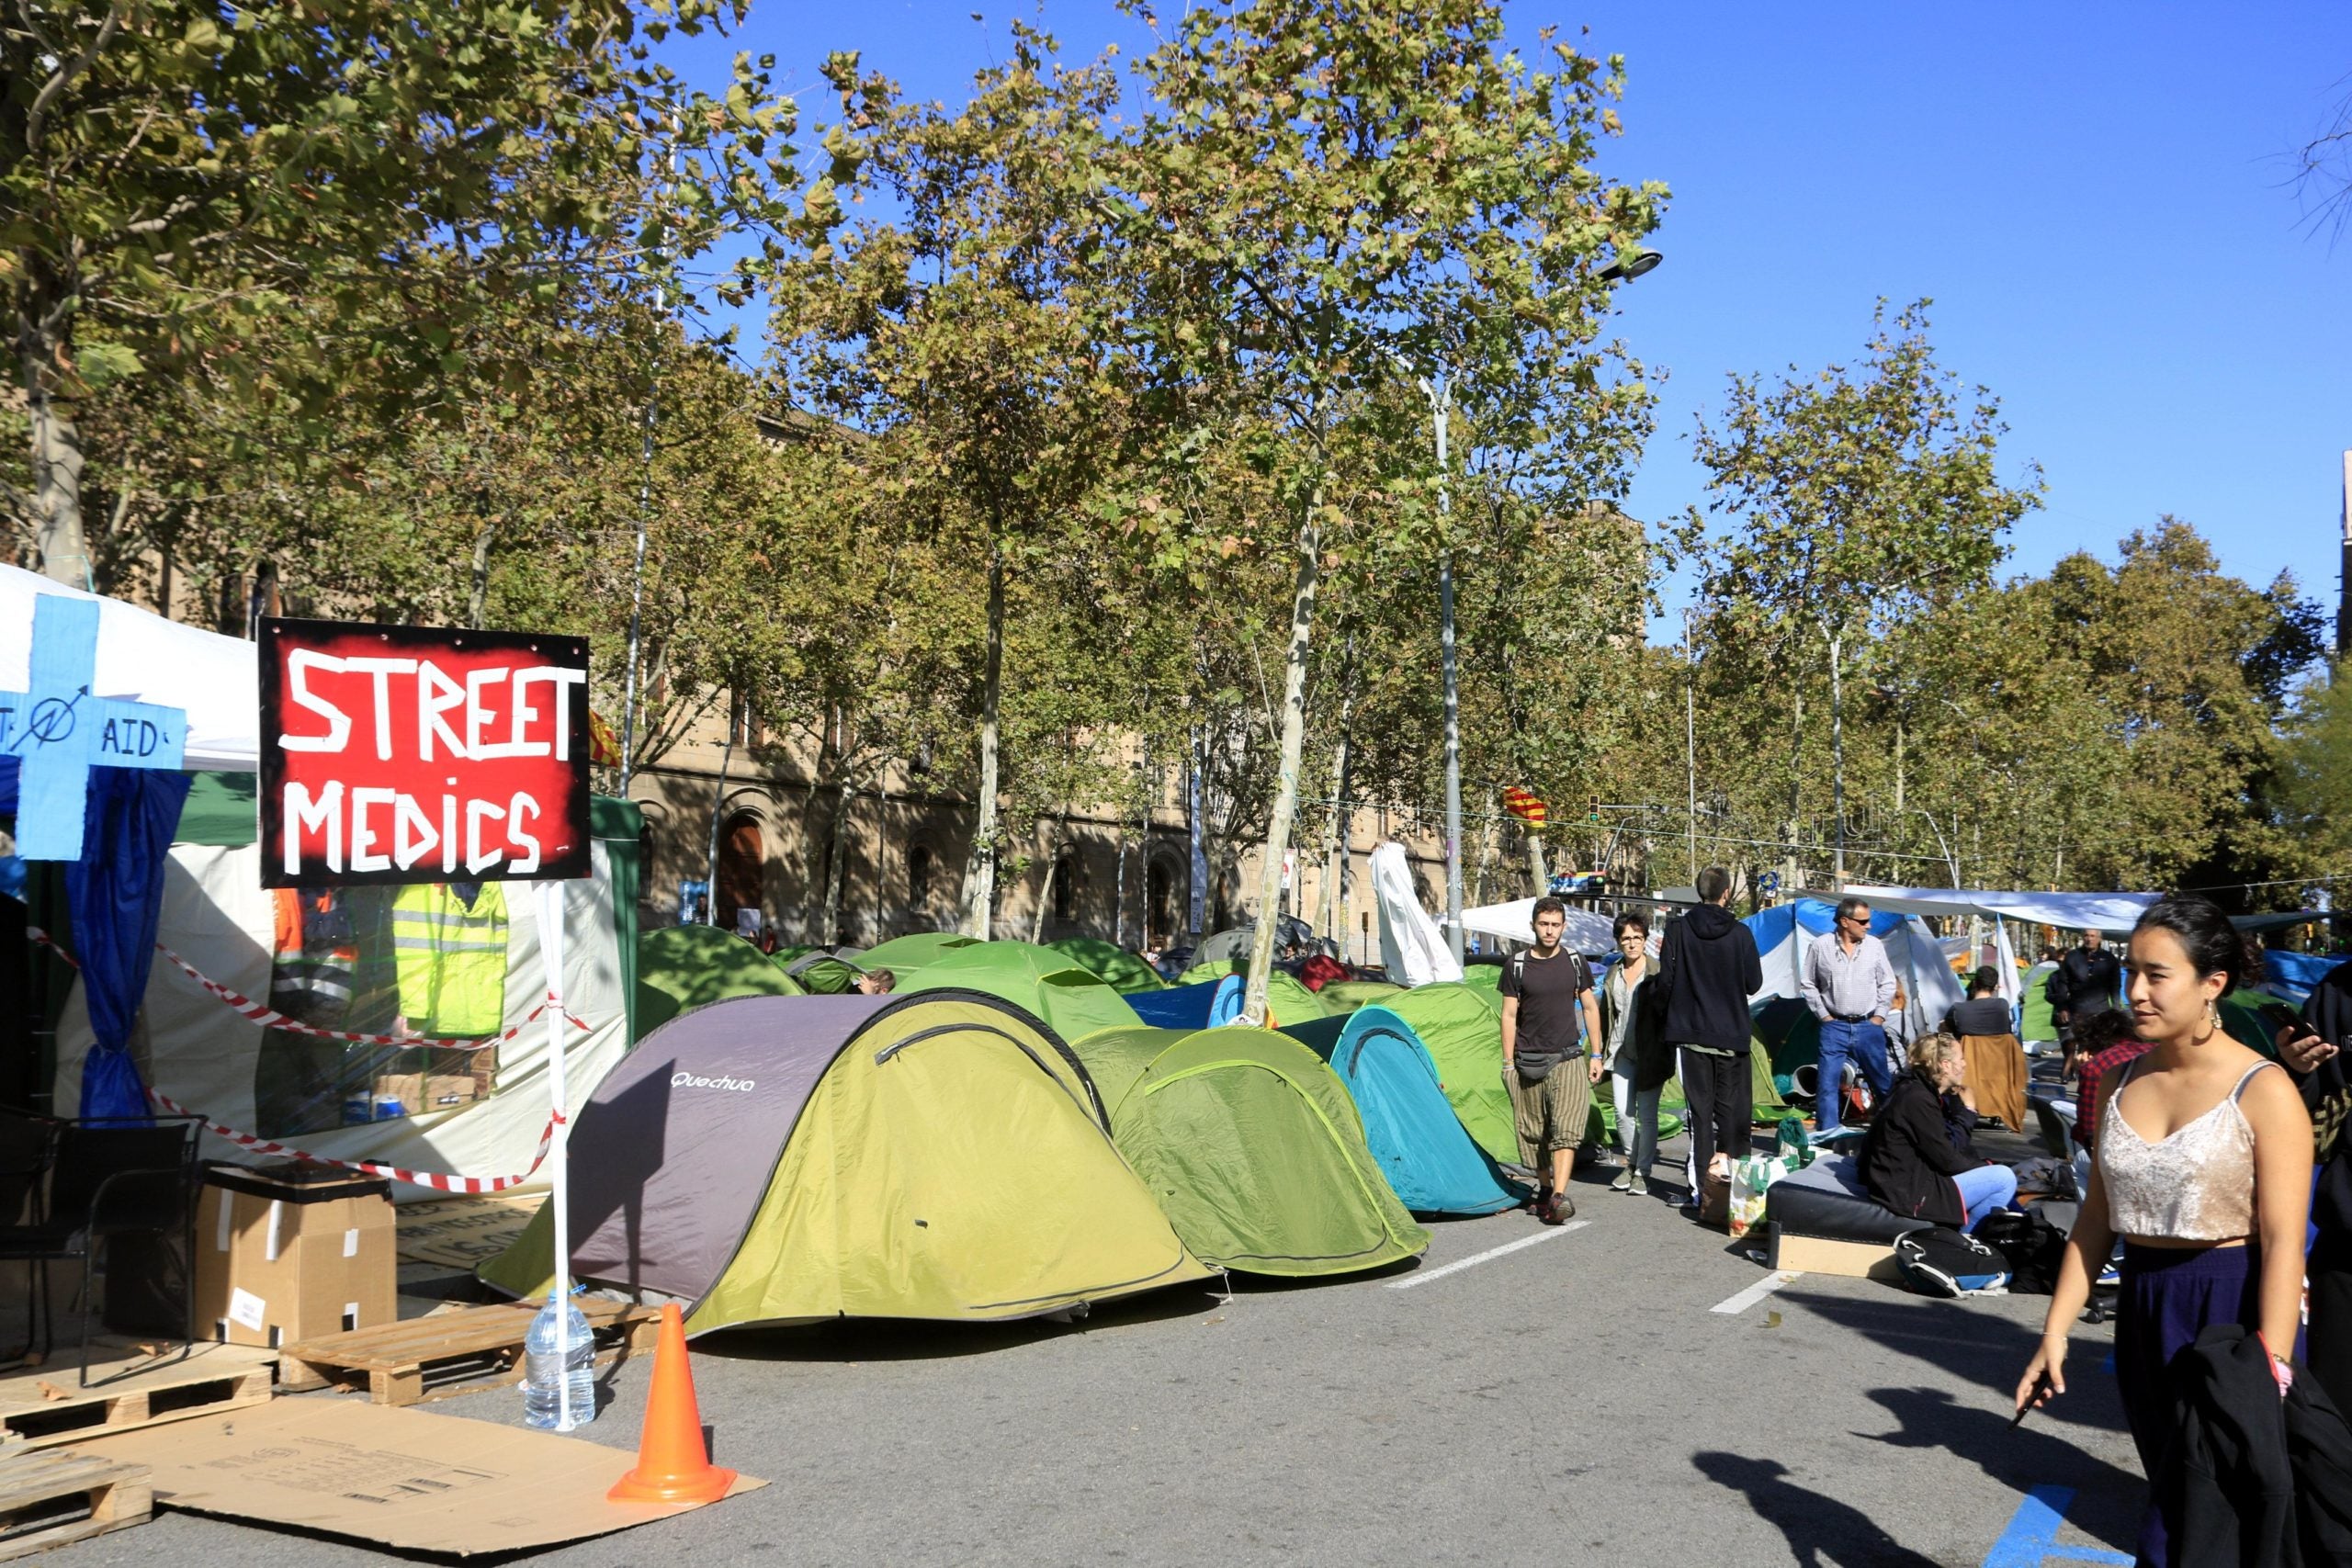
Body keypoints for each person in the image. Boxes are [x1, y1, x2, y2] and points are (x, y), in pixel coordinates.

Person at [2015, 897, 2312, 1566]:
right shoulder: (2118, 1078)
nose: (2137, 991)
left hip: (2231, 1314)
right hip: (2144, 1309)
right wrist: (2054, 1333)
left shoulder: (2263, 1088)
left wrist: (2272, 1367)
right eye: (2131, 972)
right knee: (2177, 1492)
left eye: (2157, 974)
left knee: (2203, 1514)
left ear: (2214, 983)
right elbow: (2095, 1221)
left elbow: (2286, 1239)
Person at [1653, 866, 1764, 1196]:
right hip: (1730, 1033)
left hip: (1690, 1035)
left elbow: (1666, 981)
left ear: (1698, 892)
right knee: (1731, 1114)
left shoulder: (1678, 930)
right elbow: (1753, 984)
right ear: (1726, 893)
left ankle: (1702, 1190)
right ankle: (1733, 1187)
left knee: (1699, 1117)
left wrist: (1662, 1013)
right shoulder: (1741, 933)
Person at [2275, 961, 2352, 1416]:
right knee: (2336, 1411)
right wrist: (2295, 1069)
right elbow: (2302, 1109)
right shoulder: (2335, 992)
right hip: (2345, 1243)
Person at [1499, 897, 1605, 1225]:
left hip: (1568, 1058)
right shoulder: (1516, 965)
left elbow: (1590, 1008)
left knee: (1566, 1130)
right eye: (1544, 924)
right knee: (1535, 1132)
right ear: (1533, 925)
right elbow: (1509, 1014)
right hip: (1528, 1060)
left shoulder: (1574, 962)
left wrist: (1597, 1054)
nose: (1549, 930)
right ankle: (1545, 1189)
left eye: (1555, 925)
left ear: (1563, 926)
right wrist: (1507, 1064)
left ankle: (1559, 1195)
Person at [1860, 1032, 2017, 1232]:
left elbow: (1946, 1143)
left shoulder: (1914, 1088)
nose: (1965, 1064)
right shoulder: (1918, 1100)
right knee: (2004, 1178)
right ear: (1945, 1065)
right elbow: (1948, 1159)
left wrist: (1956, 1105)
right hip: (1909, 1192)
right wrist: (1969, 1111)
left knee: (1989, 1170)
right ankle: (1966, 1242)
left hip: (1904, 1180)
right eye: (1961, 1059)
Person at [1799, 897, 1896, 1136]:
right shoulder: (1820, 946)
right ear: (1844, 921)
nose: (1868, 926)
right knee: (1827, 1086)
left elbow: (1888, 983)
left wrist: (1879, 1017)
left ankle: (1893, 1134)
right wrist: (1824, 1015)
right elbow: (1807, 983)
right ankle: (1829, 1138)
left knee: (1882, 1083)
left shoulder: (1874, 946)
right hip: (1835, 1026)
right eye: (1863, 921)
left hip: (1868, 1025)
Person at [1601, 912, 1670, 1197]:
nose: (1631, 943)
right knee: (1622, 1112)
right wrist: (1598, 1053)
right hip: (1620, 1051)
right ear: (1618, 942)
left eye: (1637, 938)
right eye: (1626, 938)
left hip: (1651, 1054)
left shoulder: (1658, 972)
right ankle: (1630, 1162)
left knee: (1648, 1116)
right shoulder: (1613, 971)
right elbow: (1607, 1012)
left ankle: (1643, 1171)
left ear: (1645, 939)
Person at [2046, 928, 2122, 1080]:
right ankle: (2074, 1073)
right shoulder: (2072, 957)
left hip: (2100, 1010)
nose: (2089, 939)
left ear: (2099, 939)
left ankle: (2092, 1078)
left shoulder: (2109, 959)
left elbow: (2115, 986)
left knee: (2095, 1047)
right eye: (2086, 936)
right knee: (2072, 1044)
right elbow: (2062, 984)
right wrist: (2062, 1008)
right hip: (2076, 1009)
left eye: (2093, 936)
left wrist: (2116, 1008)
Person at [1943, 966, 2014, 1039]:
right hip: (1998, 1049)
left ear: (1975, 983)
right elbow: (2008, 1032)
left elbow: (1946, 1032)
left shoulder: (1958, 1010)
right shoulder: (2002, 1005)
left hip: (1967, 1049)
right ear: (1995, 987)